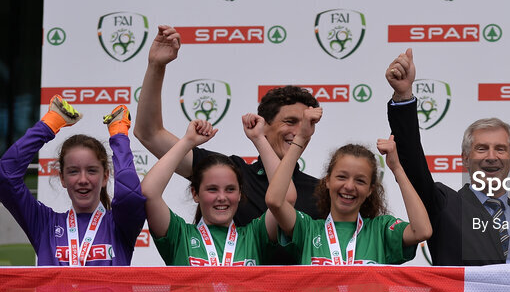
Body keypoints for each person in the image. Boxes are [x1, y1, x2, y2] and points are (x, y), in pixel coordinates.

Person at [134, 25, 321, 227]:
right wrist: (156, 65)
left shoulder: (321, 193)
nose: (299, 132)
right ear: (263, 125)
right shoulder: (230, 175)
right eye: (290, 122)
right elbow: (149, 134)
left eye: (307, 125)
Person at [385, 48, 510, 265]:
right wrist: (403, 97)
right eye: (481, 149)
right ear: (465, 158)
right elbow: (413, 162)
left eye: (500, 149)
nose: (491, 157)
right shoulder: (443, 205)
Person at [266, 106, 432, 265]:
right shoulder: (308, 229)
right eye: (342, 177)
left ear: (370, 190)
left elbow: (422, 231)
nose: (349, 186)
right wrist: (301, 138)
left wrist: (397, 169)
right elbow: (275, 201)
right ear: (328, 181)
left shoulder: (380, 230)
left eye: (360, 180)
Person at [0, 96, 144, 265]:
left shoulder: (120, 224)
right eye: (73, 171)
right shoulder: (44, 225)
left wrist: (119, 135)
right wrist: (48, 125)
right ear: (62, 178)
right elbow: (6, 177)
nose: (83, 179)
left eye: (91, 171)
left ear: (105, 176)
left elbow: (130, 196)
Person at [142, 116, 287, 266]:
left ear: (240, 194)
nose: (222, 197)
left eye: (230, 189)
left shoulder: (255, 236)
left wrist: (259, 139)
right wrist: (187, 142)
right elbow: (149, 192)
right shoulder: (180, 236)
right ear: (195, 194)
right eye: (212, 189)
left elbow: (285, 197)